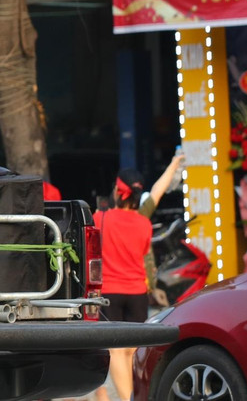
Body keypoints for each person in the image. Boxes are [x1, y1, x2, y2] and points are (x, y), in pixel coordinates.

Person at [92, 171, 154, 401]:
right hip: (138, 292)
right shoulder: (145, 223)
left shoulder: (101, 218)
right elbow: (144, 251)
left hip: (110, 292)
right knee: (133, 350)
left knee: (116, 351)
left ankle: (129, 399)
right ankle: (135, 396)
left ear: (118, 192)